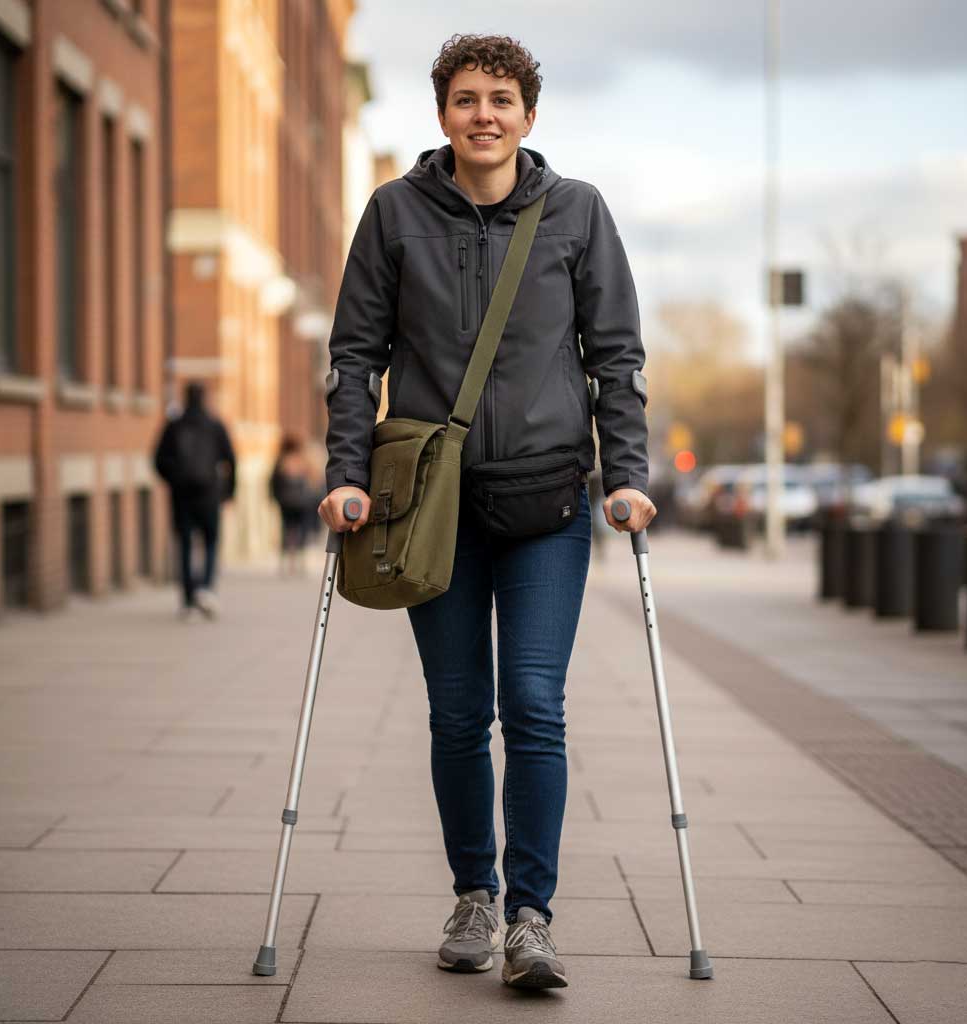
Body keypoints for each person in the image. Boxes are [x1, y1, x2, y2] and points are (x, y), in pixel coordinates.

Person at [318, 34, 656, 990]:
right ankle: (474, 894)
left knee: (534, 707)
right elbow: (355, 359)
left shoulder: (577, 213)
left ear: (528, 115)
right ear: (442, 115)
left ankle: (531, 919)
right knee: (460, 713)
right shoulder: (394, 213)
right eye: (466, 98)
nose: (484, 115)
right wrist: (348, 474)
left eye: (501, 99)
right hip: (434, 510)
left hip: (549, 501)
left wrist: (624, 475)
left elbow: (616, 360)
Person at [153, 381, 236, 619]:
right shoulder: (215, 425)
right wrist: (229, 491)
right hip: (209, 494)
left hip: (182, 496)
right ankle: (207, 590)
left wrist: (174, 479)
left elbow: (158, 460)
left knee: (186, 545)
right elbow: (231, 459)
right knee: (211, 542)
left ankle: (188, 600)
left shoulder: (174, 425)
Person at [269, 434, 314, 576]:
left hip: (286, 503)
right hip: (301, 503)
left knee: (286, 530)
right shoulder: (302, 461)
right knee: (301, 531)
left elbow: (273, 483)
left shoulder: (281, 462)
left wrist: (276, 498)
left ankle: (286, 563)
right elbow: (312, 479)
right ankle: (300, 563)